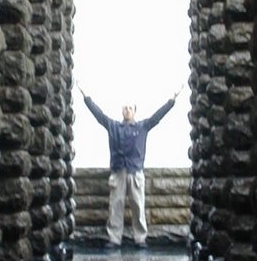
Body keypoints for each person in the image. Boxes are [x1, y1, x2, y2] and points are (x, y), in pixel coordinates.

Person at [76, 82, 183, 247]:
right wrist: (85, 96)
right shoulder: (113, 126)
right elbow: (98, 115)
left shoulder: (143, 126)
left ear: (134, 111)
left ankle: (140, 238)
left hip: (135, 172)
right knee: (115, 206)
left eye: (130, 108)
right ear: (122, 111)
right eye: (125, 107)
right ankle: (114, 238)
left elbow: (158, 116)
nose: (127, 110)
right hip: (118, 172)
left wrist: (172, 100)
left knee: (138, 206)